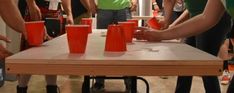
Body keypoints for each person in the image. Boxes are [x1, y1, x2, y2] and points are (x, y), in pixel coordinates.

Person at [135, 0, 233, 93]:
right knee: (186, 62)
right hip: (200, 19)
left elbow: (206, 17)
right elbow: (200, 15)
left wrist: (163, 30)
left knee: (206, 68)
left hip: (215, 21)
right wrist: (166, 30)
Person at [17, 0, 73, 93]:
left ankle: (52, 88)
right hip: (37, 8)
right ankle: (21, 88)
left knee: (52, 56)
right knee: (29, 55)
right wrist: (31, 4)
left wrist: (69, 13)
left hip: (56, 11)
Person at [89, 0, 136, 91]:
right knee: (101, 45)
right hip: (104, 9)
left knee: (127, 45)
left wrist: (134, 1)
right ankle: (99, 81)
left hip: (123, 8)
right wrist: (91, 3)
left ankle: (129, 80)